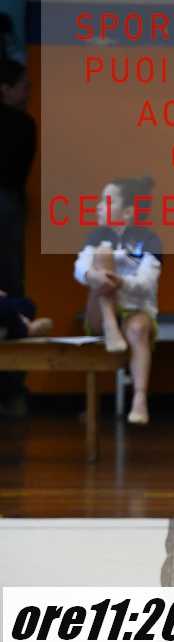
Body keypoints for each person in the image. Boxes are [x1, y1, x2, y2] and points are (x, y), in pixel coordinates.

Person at [74, 177, 163, 425]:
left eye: (107, 201)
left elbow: (147, 282)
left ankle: (140, 398)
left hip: (135, 309)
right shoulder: (97, 237)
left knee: (138, 328)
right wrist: (92, 275)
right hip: (101, 314)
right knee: (103, 254)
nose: (98, 206)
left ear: (127, 212)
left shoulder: (150, 241)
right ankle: (110, 323)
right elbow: (80, 267)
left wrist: (121, 282)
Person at [0, 59, 37, 416]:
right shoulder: (22, 125)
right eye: (23, 86)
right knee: (13, 292)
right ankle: (13, 394)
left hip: (9, 208)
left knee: (13, 298)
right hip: (8, 209)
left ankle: (12, 393)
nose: (29, 93)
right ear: (5, 89)